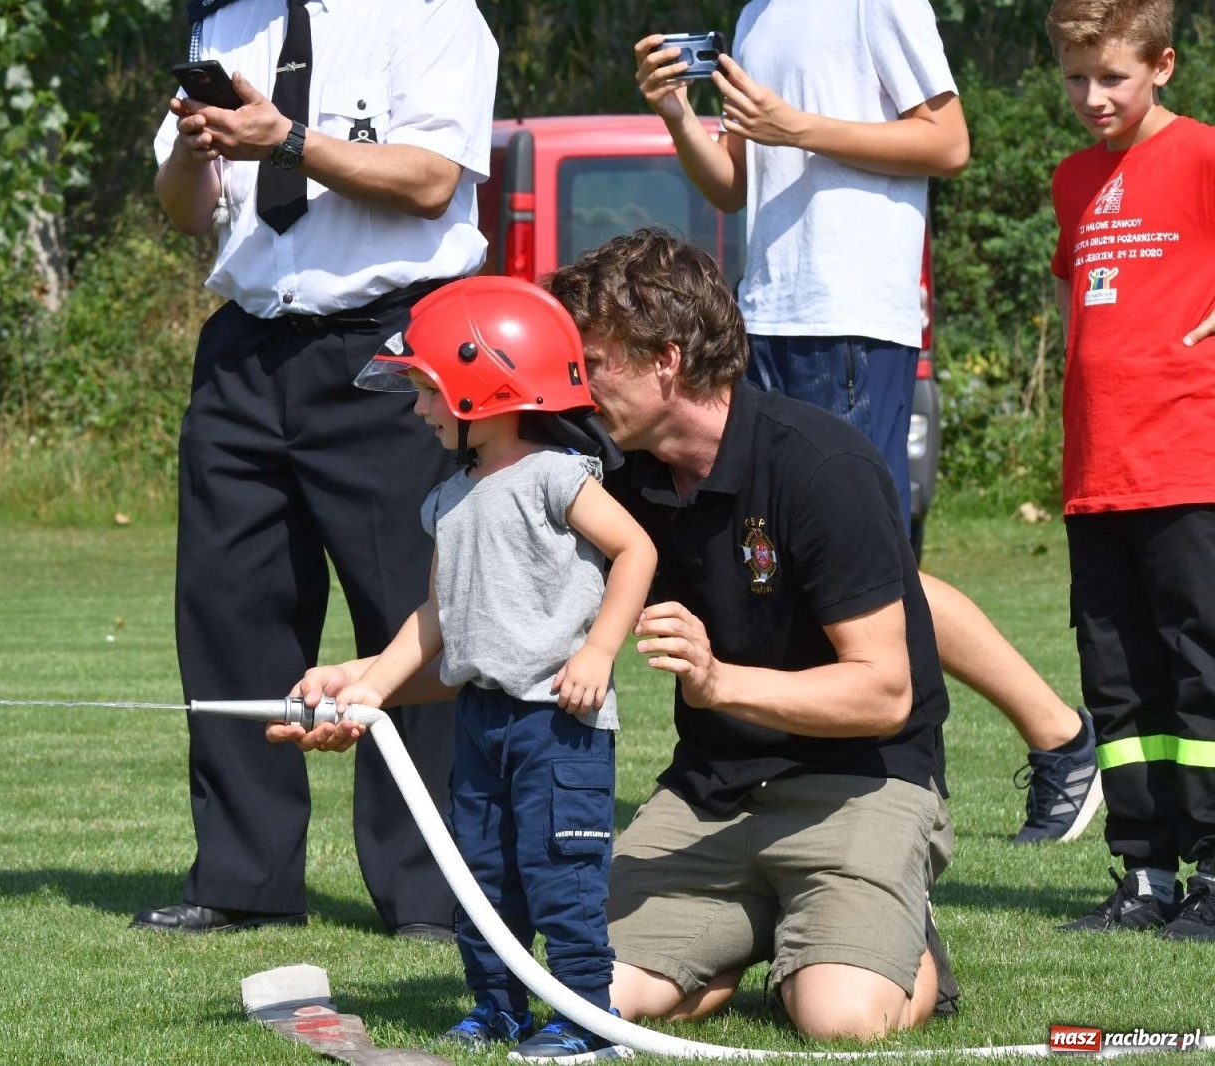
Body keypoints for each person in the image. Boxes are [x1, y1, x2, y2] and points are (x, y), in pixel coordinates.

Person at [278, 230, 953, 1041]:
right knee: (593, 994)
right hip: (709, 797)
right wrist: (361, 686)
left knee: (838, 1019)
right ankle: (758, 928)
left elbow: (884, 692)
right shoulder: (602, 476)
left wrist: (718, 683)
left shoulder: (820, 466)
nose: (571, 386)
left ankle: (897, 943)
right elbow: (504, 652)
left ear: (666, 359)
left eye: (589, 363)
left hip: (858, 789)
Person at [633, 0, 1102, 846]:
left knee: (859, 572)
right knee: (820, 569)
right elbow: (738, 182)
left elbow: (947, 142)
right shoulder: (756, 16)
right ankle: (1018, 745)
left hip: (847, 319)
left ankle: (1053, 739)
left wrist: (796, 124)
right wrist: (676, 111)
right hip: (766, 314)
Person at [135, 0, 498, 938]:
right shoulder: (227, 22)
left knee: (407, 618)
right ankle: (242, 880)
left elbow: (429, 181)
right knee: (228, 613)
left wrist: (285, 140)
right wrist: (193, 149)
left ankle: (427, 894)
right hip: (247, 347)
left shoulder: (433, 15)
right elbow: (187, 211)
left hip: (391, 342)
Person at [338, 275, 657, 1061]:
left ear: (486, 387)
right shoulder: (446, 500)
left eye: (426, 391)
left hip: (560, 726)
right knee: (481, 875)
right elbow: (437, 616)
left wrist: (598, 651)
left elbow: (635, 551)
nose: (416, 409)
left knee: (563, 875)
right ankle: (498, 1009)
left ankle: (587, 1018)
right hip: (480, 722)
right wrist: (370, 686)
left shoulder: (557, 477)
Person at [1044, 0, 1215, 939]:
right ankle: (1145, 874)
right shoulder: (1074, 178)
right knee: (1117, 677)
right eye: (1076, 77)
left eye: (1112, 76)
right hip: (1096, 472)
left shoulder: (1201, 154)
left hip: (1190, 466)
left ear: (1163, 65)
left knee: (1204, 671)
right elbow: (1081, 304)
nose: (1092, 96)